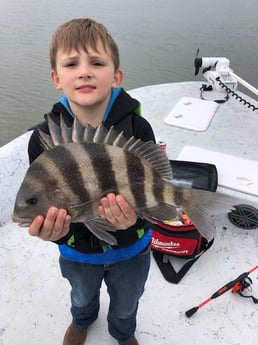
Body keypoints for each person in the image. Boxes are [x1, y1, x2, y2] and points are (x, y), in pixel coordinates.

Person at [27, 18, 155, 345]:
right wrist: (54, 230)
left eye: (96, 62)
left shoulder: (138, 129)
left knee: (127, 303)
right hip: (78, 253)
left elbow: (154, 188)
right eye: (72, 64)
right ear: (57, 78)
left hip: (133, 248)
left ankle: (123, 334)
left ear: (116, 76)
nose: (84, 71)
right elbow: (46, 201)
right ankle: (82, 321)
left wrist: (133, 218)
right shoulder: (42, 141)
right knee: (81, 296)